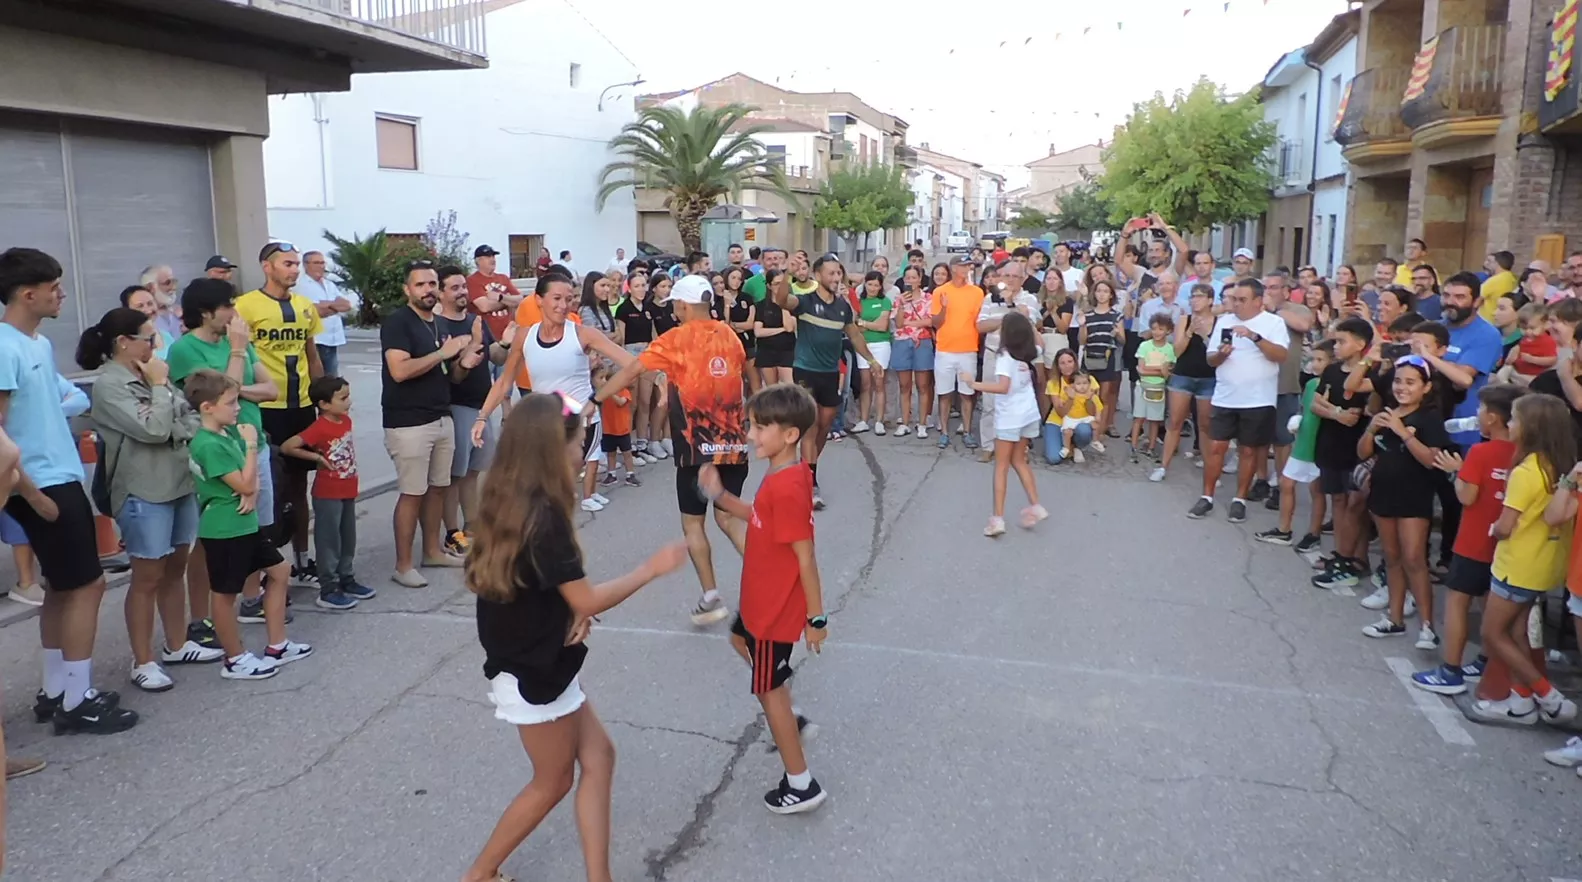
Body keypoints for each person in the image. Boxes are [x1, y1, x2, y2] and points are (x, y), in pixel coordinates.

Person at [460, 394, 686, 882]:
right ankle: (479, 874)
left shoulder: (510, 496)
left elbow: (536, 586)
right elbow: (585, 598)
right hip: (531, 670)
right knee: (552, 781)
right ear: (552, 447)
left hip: (535, 656)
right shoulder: (544, 518)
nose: (585, 447)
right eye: (581, 439)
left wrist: (568, 609)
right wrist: (651, 569)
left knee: (599, 756)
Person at [0, 248, 139, 734]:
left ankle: (57, 689)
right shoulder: (4, 346)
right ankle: (77, 701)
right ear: (27, 293)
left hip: (58, 477)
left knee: (64, 586)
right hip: (42, 484)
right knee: (87, 585)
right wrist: (33, 495)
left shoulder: (34, 343)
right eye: (55, 287)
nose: (63, 294)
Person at [696, 384, 830, 814]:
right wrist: (720, 497)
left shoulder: (789, 486)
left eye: (758, 427)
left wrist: (817, 619)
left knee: (769, 691)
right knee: (739, 642)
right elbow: (758, 514)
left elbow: (806, 559)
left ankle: (802, 783)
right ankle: (789, 716)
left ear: (789, 435)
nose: (750, 435)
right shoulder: (780, 477)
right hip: (757, 604)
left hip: (773, 612)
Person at [78, 307, 222, 692]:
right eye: (148, 337)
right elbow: (155, 429)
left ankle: (177, 644)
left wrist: (166, 405)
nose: (155, 344)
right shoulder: (111, 384)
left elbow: (192, 420)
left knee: (176, 566)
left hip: (178, 481)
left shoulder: (150, 373)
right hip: (143, 489)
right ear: (123, 342)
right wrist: (160, 388)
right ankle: (142, 660)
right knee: (147, 576)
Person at [593, 274, 749, 624]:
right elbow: (739, 373)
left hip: (695, 448)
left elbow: (632, 370)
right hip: (734, 443)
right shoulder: (730, 335)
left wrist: (596, 397)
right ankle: (768, 584)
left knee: (693, 522)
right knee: (728, 518)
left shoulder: (674, 338)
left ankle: (711, 595)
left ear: (681, 305)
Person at [166, 279, 280, 642]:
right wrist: (235, 356)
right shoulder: (187, 349)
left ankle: (251, 598)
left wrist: (238, 388)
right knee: (213, 539)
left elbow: (271, 389)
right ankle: (204, 616)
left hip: (252, 440)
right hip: (218, 449)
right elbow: (216, 398)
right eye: (228, 307)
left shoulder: (241, 346)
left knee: (254, 526)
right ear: (205, 312)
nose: (235, 314)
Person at [183, 369, 313, 679]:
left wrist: (250, 490)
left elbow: (247, 482)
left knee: (280, 571)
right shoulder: (208, 444)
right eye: (231, 402)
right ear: (207, 407)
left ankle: (277, 644)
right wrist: (252, 446)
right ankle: (235, 658)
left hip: (245, 522)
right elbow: (244, 483)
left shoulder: (227, 434)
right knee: (226, 594)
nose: (238, 407)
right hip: (225, 527)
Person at [482, 274, 636, 511]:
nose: (563, 306)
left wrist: (598, 397)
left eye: (569, 299)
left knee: (553, 495)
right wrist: (482, 417)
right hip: (544, 426)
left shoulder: (584, 334)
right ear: (539, 300)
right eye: (556, 298)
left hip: (580, 427)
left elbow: (633, 365)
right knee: (543, 498)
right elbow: (504, 381)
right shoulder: (525, 335)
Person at [1470, 394, 1579, 725]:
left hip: (1516, 565)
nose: (1510, 424)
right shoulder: (1560, 466)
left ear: (1531, 428)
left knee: (1493, 634)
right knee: (1518, 631)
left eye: (1515, 420)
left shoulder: (1525, 472)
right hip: (1547, 564)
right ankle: (1520, 701)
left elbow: (1505, 526)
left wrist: (1493, 528)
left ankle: (1548, 695)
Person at [1411, 384, 1521, 696]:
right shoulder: (1524, 453)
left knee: (1457, 603)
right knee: (1491, 602)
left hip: (1474, 541)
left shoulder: (1480, 452)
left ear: (1493, 419)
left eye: (1481, 410)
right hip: (1506, 545)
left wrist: (1456, 472)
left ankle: (1450, 670)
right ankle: (1487, 660)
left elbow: (1467, 496)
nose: (1476, 415)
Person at [381, 262, 478, 586]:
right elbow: (399, 371)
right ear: (407, 289)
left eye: (432, 283)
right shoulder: (398, 323)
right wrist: (443, 354)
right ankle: (403, 565)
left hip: (441, 416)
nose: (428, 289)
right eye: (420, 284)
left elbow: (450, 375)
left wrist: (463, 362)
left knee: (438, 489)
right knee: (412, 492)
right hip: (408, 422)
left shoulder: (436, 323)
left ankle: (433, 551)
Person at [237, 241, 325, 588]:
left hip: (301, 406)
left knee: (298, 488)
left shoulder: (305, 307)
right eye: (286, 264)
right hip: (265, 408)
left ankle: (303, 560)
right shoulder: (245, 305)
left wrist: (322, 399)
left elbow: (312, 354)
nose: (294, 270)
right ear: (266, 266)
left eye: (296, 264)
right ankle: (263, 569)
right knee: (266, 488)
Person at [771, 256, 887, 508]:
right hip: (805, 371)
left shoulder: (843, 307)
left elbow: (855, 336)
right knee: (811, 427)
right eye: (831, 273)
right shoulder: (804, 301)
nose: (836, 278)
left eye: (838, 273)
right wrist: (786, 274)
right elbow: (780, 300)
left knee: (824, 426)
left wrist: (873, 361)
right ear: (817, 274)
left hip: (830, 373)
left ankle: (805, 469)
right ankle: (810, 484)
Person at [1357, 355, 1452, 642]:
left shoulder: (1430, 418)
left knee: (1414, 560)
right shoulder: (1386, 413)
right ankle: (1394, 619)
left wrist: (1403, 433)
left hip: (1414, 497)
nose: (1402, 387)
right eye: (1398, 381)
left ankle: (1427, 627)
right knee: (1393, 558)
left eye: (1411, 382)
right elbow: (1363, 453)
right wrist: (1372, 428)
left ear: (1425, 387)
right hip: (1383, 492)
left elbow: (1431, 460)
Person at [1187, 278, 1290, 523]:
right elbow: (1210, 359)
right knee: (1215, 448)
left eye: (1242, 300)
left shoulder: (1273, 323)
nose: (1236, 304)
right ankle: (1207, 496)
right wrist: (1220, 356)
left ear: (1258, 300)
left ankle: (1239, 499)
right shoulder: (1224, 321)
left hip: (1258, 399)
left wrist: (1255, 337)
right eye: (1233, 299)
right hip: (1225, 396)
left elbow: (1281, 355)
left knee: (1248, 450)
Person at [280, 375, 372, 610]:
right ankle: (328, 587)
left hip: (347, 487)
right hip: (328, 491)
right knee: (329, 540)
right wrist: (316, 458)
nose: (348, 402)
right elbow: (288, 446)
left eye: (348, 396)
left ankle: (346, 577)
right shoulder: (320, 427)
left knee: (347, 536)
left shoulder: (346, 421)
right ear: (324, 404)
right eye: (342, 398)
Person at [437, 267, 506, 556]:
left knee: (473, 471)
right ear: (441, 292)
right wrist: (474, 343)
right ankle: (452, 533)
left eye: (464, 286)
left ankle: (473, 524)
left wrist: (507, 343)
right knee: (456, 473)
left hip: (481, 407)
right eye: (454, 288)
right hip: (458, 406)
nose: (463, 292)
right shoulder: (440, 326)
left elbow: (494, 355)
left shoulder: (475, 320)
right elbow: (453, 375)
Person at [960, 312, 1046, 537]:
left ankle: (997, 518)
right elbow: (1041, 344)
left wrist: (974, 383)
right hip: (1028, 413)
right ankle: (1035, 504)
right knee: (1019, 460)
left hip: (1010, 416)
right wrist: (1031, 324)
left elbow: (1003, 387)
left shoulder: (1005, 357)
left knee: (1001, 466)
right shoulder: (1029, 353)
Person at [1308, 317, 1376, 589]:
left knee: (1355, 505)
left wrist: (1337, 410)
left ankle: (1356, 559)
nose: (1335, 346)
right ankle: (1340, 554)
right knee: (1338, 500)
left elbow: (1363, 409)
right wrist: (1336, 413)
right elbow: (1316, 403)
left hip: (1355, 446)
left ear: (1360, 345)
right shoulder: (1332, 370)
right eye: (1335, 341)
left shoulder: (1369, 376)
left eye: (1341, 341)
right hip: (1330, 441)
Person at [1256, 338, 1331, 547]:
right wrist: (1297, 420)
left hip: (1319, 446)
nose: (1315, 364)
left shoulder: (1332, 387)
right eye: (1313, 359)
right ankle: (1284, 529)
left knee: (1317, 491)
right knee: (1287, 483)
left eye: (1320, 360)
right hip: (1303, 442)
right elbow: (1304, 409)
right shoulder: (1309, 384)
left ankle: (1313, 534)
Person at [1259, 270, 1315, 510]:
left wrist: (1274, 311)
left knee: (1282, 439)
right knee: (1259, 437)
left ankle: (1281, 485)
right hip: (1259, 384)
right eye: (1266, 288)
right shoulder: (1256, 312)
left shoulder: (1296, 310)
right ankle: (1260, 479)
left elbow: (1303, 325)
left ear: (1285, 291)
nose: (1268, 292)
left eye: (1273, 287)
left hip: (1285, 384)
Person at [1157, 284, 1218, 480]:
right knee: (1174, 422)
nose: (1194, 300)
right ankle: (1163, 467)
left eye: (1199, 296)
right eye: (1192, 296)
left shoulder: (1219, 322)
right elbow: (1177, 351)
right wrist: (1190, 331)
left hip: (1208, 378)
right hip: (1183, 376)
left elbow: (1216, 351)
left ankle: (1210, 472)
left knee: (1205, 426)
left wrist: (1203, 335)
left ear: (1210, 300)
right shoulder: (1184, 320)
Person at [931, 256, 986, 451]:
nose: (967, 269)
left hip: (968, 349)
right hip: (945, 350)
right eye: (963, 265)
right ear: (954, 268)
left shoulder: (977, 292)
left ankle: (967, 431)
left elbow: (981, 320)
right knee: (944, 393)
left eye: (968, 266)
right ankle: (944, 432)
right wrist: (944, 307)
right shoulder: (940, 291)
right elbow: (935, 323)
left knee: (966, 393)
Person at [890, 264, 935, 438]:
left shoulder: (928, 298)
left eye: (913, 277)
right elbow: (899, 323)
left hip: (922, 342)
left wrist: (912, 324)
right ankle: (905, 422)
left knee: (923, 385)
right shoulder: (898, 299)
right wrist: (902, 305)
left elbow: (929, 322)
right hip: (902, 342)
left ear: (920, 279)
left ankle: (922, 423)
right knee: (904, 385)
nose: (910, 281)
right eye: (907, 278)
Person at [1077, 280, 1125, 442]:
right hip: (1089, 356)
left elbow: (1123, 340)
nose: (1102, 294)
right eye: (1099, 291)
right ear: (1094, 293)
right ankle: (1085, 429)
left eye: (1105, 291)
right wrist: (1083, 326)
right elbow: (1082, 341)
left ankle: (1099, 433)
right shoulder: (1088, 315)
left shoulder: (1116, 315)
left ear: (1111, 294)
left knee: (1103, 398)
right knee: (1086, 394)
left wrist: (1118, 333)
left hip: (1107, 358)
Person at [297, 251, 357, 377]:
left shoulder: (329, 284)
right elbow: (314, 311)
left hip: (332, 339)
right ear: (306, 265)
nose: (321, 266)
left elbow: (346, 305)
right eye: (316, 263)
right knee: (317, 377)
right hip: (317, 339)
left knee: (332, 379)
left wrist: (327, 304)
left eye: (322, 262)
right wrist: (334, 305)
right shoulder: (301, 286)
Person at [1132, 313, 1177, 467]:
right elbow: (1141, 370)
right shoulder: (1144, 346)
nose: (1157, 332)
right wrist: (1159, 369)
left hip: (1159, 387)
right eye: (1154, 329)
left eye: (1161, 329)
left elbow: (1167, 373)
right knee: (1138, 417)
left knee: (1155, 420)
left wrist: (1152, 369)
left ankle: (1151, 447)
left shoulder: (1170, 349)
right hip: (1143, 385)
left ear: (1168, 331)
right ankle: (1134, 446)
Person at [853, 270, 892, 435]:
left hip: (881, 344)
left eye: (876, 285)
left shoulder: (885, 301)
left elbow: (882, 326)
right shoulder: (859, 301)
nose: (873, 288)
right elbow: (854, 324)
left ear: (881, 286)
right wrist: (868, 323)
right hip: (863, 345)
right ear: (865, 284)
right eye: (870, 284)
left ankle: (879, 421)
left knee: (879, 383)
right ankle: (863, 420)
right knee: (865, 384)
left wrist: (864, 323)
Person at [467, 245, 524, 351]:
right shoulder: (472, 281)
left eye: (493, 256)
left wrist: (501, 297)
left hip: (510, 334)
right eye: (488, 256)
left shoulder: (503, 278)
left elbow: (520, 300)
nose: (492, 259)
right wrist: (509, 301)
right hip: (488, 339)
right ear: (478, 261)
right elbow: (485, 307)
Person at [593, 363, 639, 487]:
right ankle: (611, 474)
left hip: (622, 429)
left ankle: (630, 474)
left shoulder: (624, 392)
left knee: (627, 453)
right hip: (608, 428)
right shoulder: (603, 393)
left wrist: (610, 392)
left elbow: (620, 402)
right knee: (610, 453)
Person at [752, 269, 796, 389]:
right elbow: (758, 332)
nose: (780, 287)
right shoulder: (761, 305)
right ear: (769, 286)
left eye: (783, 284)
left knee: (790, 388)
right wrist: (780, 329)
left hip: (787, 350)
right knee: (772, 390)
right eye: (776, 284)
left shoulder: (792, 303)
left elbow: (789, 327)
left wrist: (783, 303)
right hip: (766, 351)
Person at [1496, 303, 1557, 386]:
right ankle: (1504, 384)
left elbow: (1552, 359)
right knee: (1503, 372)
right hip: (1517, 369)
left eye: (1532, 328)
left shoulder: (1547, 341)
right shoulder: (1525, 338)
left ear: (1546, 325)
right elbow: (1518, 351)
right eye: (1524, 328)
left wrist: (1533, 359)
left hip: (1533, 376)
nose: (1528, 332)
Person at [119, 286, 172, 359]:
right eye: (140, 306)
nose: (148, 310)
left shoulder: (166, 336)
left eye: (150, 303)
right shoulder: (128, 342)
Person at [1480, 250, 1520, 322]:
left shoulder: (1494, 280)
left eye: (1491, 262)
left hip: (1488, 321)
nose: (1488, 264)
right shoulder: (1513, 278)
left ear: (1497, 263)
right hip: (1504, 320)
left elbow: (1477, 298)